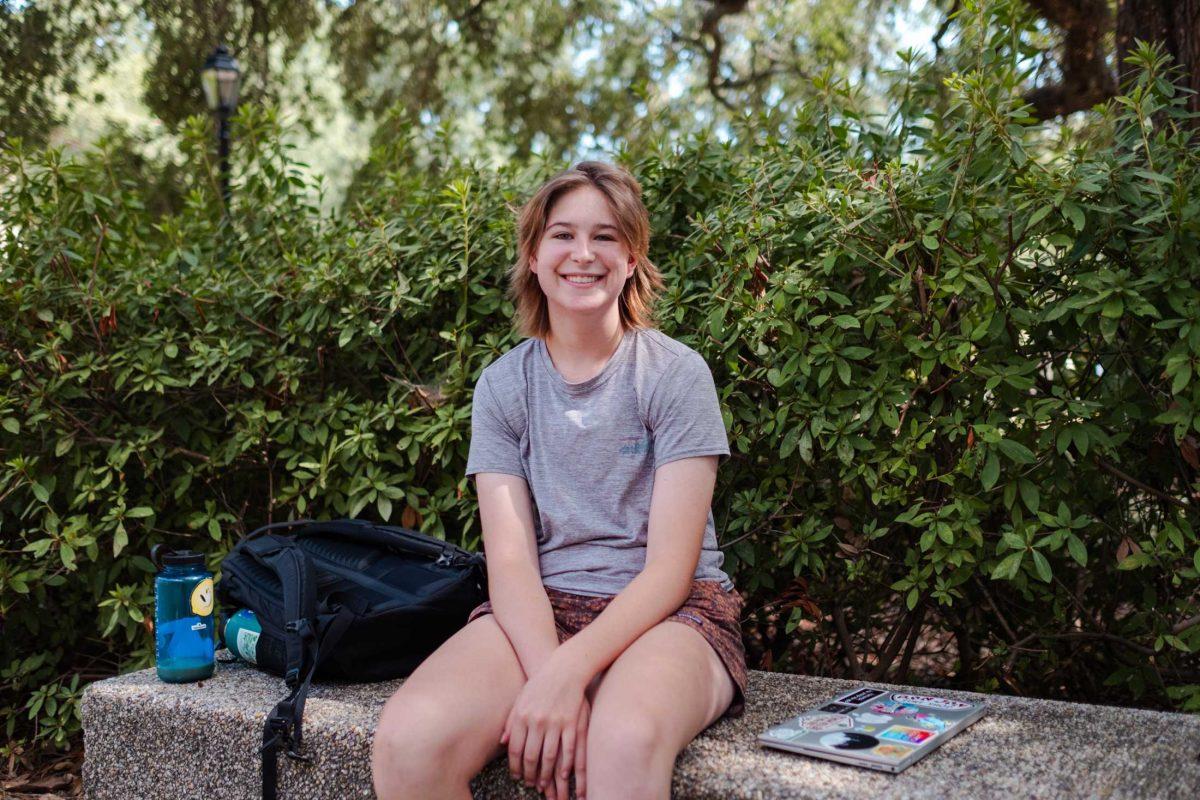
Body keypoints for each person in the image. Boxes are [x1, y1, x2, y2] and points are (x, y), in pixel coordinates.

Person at [370, 161, 747, 800]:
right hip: (544, 607)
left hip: (675, 615)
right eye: (562, 235)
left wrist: (566, 674)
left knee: (620, 741)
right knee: (408, 746)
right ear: (535, 258)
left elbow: (670, 570)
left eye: (605, 236)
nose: (583, 253)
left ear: (631, 258)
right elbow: (511, 564)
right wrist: (552, 677)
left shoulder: (675, 374)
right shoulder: (503, 386)